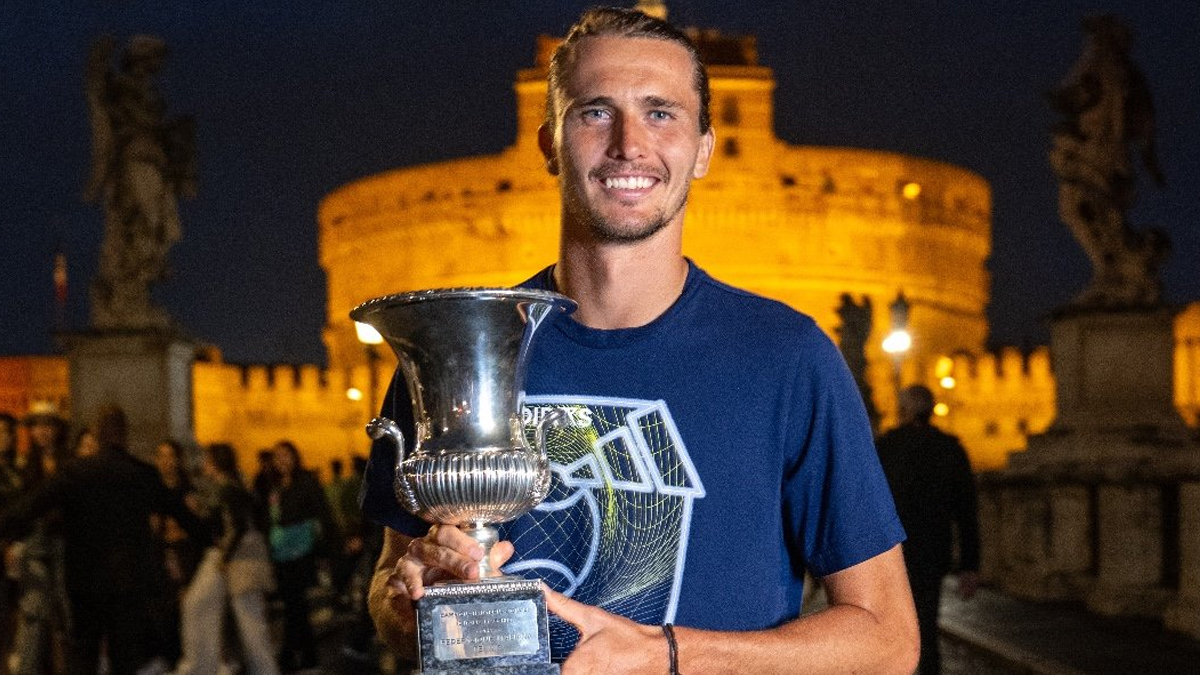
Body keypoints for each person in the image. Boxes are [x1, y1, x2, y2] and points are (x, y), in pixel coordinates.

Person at [362, 8, 918, 675]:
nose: (629, 143)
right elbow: (390, 591)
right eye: (595, 112)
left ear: (706, 148)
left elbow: (890, 641)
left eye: (661, 113)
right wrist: (411, 600)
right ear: (547, 144)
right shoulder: (454, 347)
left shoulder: (788, 358)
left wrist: (667, 653)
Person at [0, 406, 204, 675]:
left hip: (86, 580)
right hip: (130, 582)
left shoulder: (76, 472)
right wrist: (210, 539)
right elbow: (184, 515)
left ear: (97, 433)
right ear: (124, 435)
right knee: (125, 657)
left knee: (83, 654)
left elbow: (29, 507)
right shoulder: (142, 474)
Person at [875, 385, 980, 675]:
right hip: (934, 552)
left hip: (892, 552)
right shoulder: (950, 448)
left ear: (904, 410)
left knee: (888, 626)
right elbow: (966, 510)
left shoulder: (886, 448)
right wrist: (970, 565)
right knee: (926, 625)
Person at [172, 443, 278, 675]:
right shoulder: (231, 486)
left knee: (251, 626)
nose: (203, 464)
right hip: (238, 559)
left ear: (215, 462)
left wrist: (224, 557)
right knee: (244, 623)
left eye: (207, 459)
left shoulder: (227, 488)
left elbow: (237, 527)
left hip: (241, 561)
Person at [267, 441, 338, 674]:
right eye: (277, 457)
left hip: (300, 551)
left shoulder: (306, 483)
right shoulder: (275, 486)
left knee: (295, 604)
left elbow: (323, 514)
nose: (281, 461)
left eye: (286, 456)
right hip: (282, 552)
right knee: (293, 605)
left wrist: (328, 550)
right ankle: (301, 655)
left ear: (295, 458)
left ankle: (299, 656)